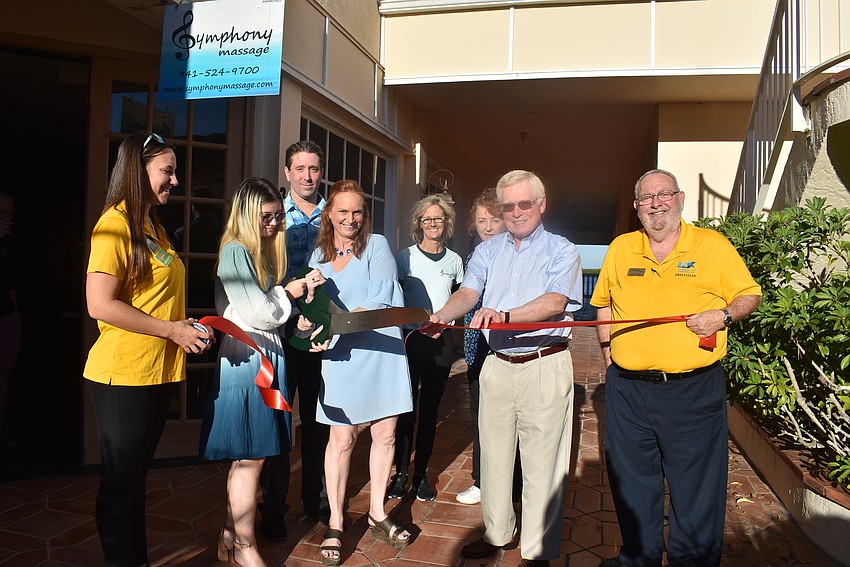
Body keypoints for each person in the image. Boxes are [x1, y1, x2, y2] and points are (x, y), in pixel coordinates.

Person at [591, 169, 762, 567]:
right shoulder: (621, 247)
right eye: (647, 198)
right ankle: (639, 558)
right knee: (632, 484)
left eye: (664, 194)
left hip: (693, 391)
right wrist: (606, 353)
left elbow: (748, 294)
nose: (656, 204)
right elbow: (603, 302)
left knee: (696, 489)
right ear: (636, 207)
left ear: (680, 199)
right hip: (628, 391)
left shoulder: (711, 245)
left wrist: (723, 315)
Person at [422, 170, 582, 567]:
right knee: (492, 459)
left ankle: (538, 551)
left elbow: (555, 302)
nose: (515, 212)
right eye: (507, 205)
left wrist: (506, 315)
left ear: (541, 205)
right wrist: (442, 315)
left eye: (524, 203)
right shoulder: (488, 251)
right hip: (497, 366)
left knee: (543, 464)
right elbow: (470, 291)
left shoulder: (563, 250)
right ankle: (496, 535)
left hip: (543, 364)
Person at [83, 132, 212, 566]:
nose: (175, 180)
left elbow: (153, 298)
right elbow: (99, 304)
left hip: (156, 372)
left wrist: (183, 326)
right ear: (138, 173)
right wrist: (171, 331)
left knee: (135, 479)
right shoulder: (114, 225)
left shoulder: (151, 225)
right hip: (123, 374)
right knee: (120, 483)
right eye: (167, 171)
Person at [199, 178, 324, 566]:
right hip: (249, 361)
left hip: (268, 356)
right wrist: (291, 293)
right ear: (246, 215)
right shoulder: (236, 251)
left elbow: (268, 314)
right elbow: (255, 314)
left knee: (254, 456)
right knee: (250, 457)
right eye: (265, 217)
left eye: (276, 218)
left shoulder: (260, 253)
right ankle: (245, 547)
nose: (273, 225)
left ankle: (228, 536)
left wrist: (294, 321)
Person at [305, 179, 413, 566]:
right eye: (343, 211)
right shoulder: (316, 259)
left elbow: (382, 298)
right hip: (342, 355)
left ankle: (378, 512)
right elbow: (313, 312)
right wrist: (309, 330)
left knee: (385, 434)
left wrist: (331, 329)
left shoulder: (377, 245)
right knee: (342, 438)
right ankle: (336, 520)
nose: (350, 218)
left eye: (357, 212)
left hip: (381, 349)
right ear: (329, 214)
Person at [259, 140, 330, 539]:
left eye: (314, 169)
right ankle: (274, 508)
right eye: (300, 169)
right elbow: (263, 273)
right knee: (279, 419)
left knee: (320, 419)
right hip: (281, 334)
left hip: (321, 334)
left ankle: (316, 499)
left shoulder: (333, 216)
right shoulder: (271, 216)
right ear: (287, 172)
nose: (307, 176)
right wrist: (293, 315)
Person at [390, 194, 464, 501]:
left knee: (430, 410)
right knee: (405, 410)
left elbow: (460, 300)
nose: (433, 223)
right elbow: (393, 299)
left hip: (440, 343)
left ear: (447, 223)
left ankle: (420, 475)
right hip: (409, 340)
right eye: (427, 219)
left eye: (439, 218)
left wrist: (444, 323)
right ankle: (400, 474)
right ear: (419, 223)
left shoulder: (456, 261)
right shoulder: (403, 258)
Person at [456, 188, 520, 506]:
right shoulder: (473, 257)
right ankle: (482, 481)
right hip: (476, 349)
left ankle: (514, 485)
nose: (488, 227)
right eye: (481, 220)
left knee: (511, 419)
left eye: (495, 219)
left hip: (508, 350)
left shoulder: (518, 257)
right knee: (481, 417)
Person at [0, 190, 20, 448]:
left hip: (6, 313)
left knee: (4, 375)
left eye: (9, 214)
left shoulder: (10, 241)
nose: (5, 219)